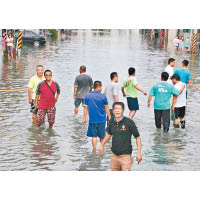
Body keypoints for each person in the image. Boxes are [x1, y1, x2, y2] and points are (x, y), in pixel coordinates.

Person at [99, 102, 142, 171]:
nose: (117, 110)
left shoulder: (129, 122)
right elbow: (108, 134)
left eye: (119, 109)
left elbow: (137, 137)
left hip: (126, 156)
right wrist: (102, 145)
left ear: (123, 111)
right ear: (112, 111)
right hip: (114, 156)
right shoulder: (111, 122)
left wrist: (139, 153)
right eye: (116, 109)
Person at [82, 81, 111, 151]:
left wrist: (84, 118)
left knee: (94, 136)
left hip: (92, 120)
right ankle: (101, 149)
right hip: (102, 120)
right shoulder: (103, 96)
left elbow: (85, 108)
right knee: (102, 136)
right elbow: (106, 107)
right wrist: (109, 116)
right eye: (101, 86)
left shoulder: (88, 96)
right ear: (98, 87)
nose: (101, 88)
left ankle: (94, 150)